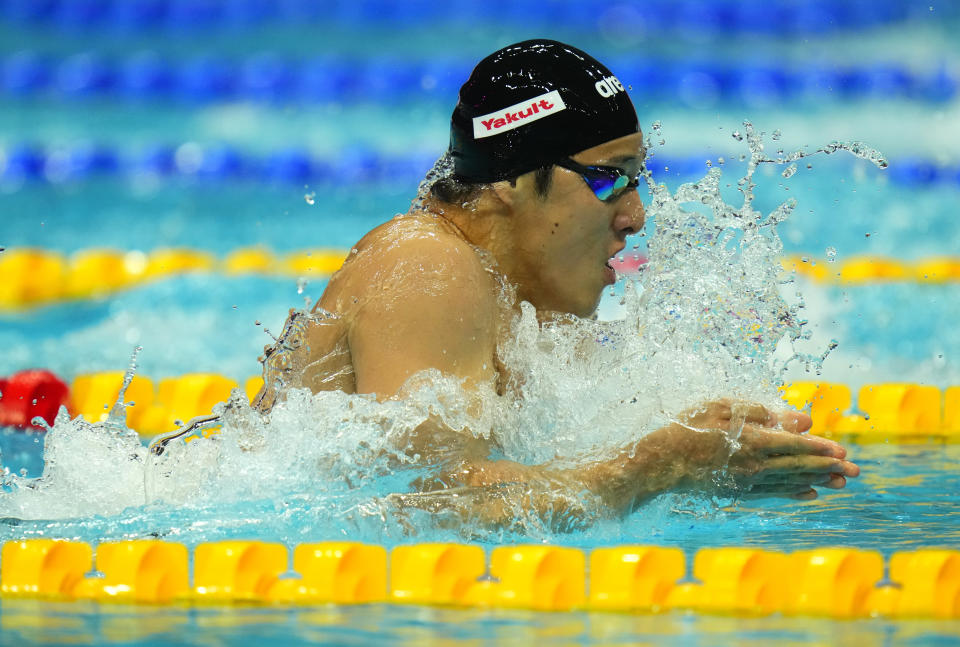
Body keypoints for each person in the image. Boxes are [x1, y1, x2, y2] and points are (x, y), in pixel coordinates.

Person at [251, 40, 859, 524]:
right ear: (510, 179)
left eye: (636, 178)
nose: (636, 214)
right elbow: (428, 505)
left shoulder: (514, 294)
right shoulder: (429, 267)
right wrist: (658, 465)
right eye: (607, 178)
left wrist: (697, 448)